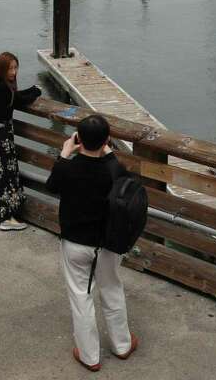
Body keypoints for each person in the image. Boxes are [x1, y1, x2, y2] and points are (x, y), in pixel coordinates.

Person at [46, 114, 138, 371]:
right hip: (107, 243)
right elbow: (124, 178)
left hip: (75, 243)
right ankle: (122, 345)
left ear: (78, 138)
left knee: (80, 296)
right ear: (107, 140)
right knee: (111, 289)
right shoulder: (112, 170)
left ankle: (90, 356)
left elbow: (52, 185)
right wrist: (107, 151)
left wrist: (65, 153)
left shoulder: (68, 168)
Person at [0, 52, 41, 231]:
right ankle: (7, 218)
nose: (14, 72)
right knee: (6, 175)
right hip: (1, 138)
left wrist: (32, 89)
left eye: (15, 67)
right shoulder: (2, 89)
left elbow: (16, 97)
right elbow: (20, 101)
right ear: (1, 69)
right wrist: (36, 90)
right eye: (10, 68)